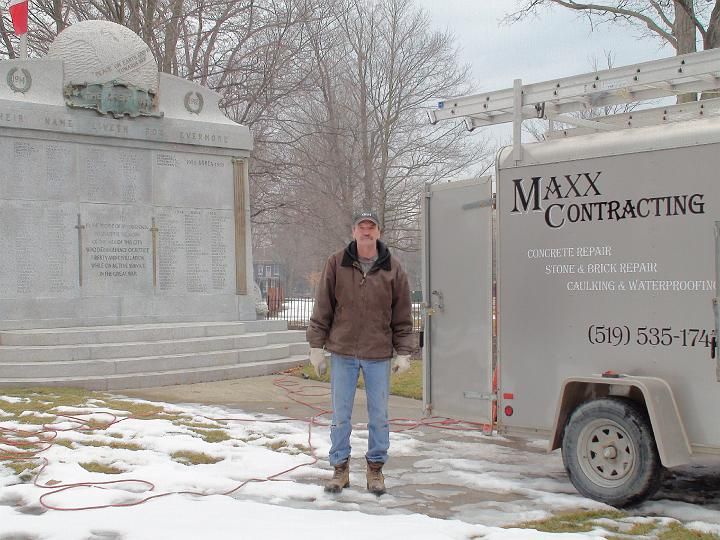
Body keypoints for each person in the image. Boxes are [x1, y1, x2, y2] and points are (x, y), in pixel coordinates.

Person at [306, 210, 414, 496]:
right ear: (353, 231)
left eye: (371, 227)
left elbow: (402, 317)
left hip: (378, 353)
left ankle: (375, 470)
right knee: (341, 416)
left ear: (379, 232)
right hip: (343, 352)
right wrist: (316, 347)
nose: (366, 232)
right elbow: (323, 308)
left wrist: (403, 353)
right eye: (361, 227)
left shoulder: (394, 268)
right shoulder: (336, 263)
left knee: (379, 416)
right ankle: (340, 469)